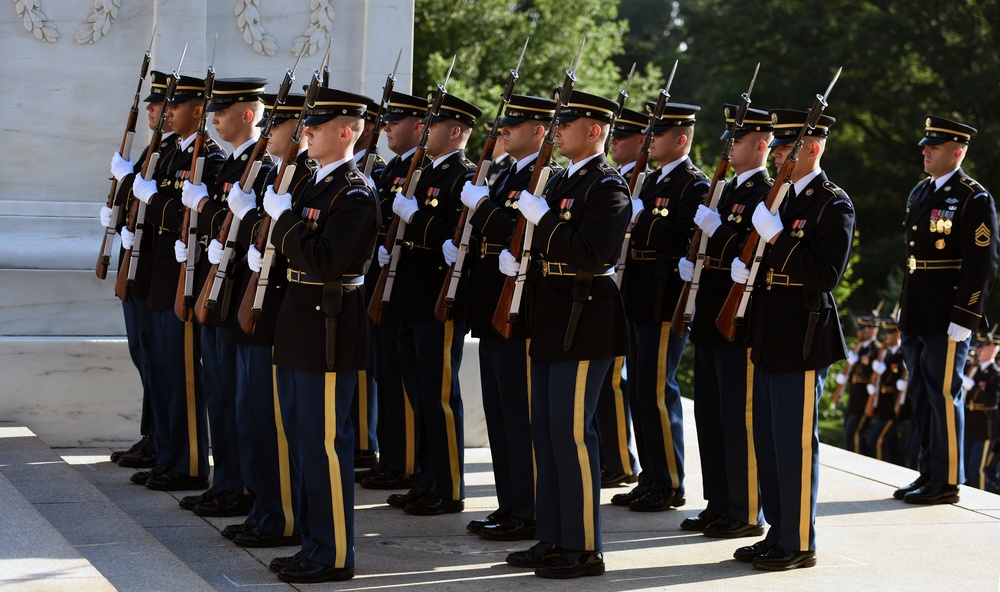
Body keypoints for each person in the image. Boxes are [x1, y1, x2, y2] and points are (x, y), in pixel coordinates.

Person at [502, 90, 630, 579]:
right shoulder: (560, 180)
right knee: (548, 431)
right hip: (551, 314)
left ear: (594, 130)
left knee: (574, 433)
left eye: (567, 123)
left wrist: (546, 220)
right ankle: (553, 536)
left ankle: (583, 546)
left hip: (586, 318)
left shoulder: (608, 186)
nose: (557, 131)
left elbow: (593, 253)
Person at [262, 87, 380, 583]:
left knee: (326, 444)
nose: (304, 132)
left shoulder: (355, 192)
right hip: (298, 322)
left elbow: (325, 260)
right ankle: (313, 543)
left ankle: (333, 554)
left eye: (316, 126)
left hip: (329, 325)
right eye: (305, 125)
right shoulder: (313, 182)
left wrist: (282, 218)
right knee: (302, 441)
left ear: (346, 131)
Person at [729, 108, 854, 570]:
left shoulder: (833, 203)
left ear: (813, 148)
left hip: (802, 336)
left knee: (795, 443)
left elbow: (825, 275)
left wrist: (778, 237)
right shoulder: (778, 196)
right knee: (768, 439)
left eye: (786, 149)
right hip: (767, 330)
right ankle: (777, 532)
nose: (778, 157)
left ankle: (799, 542)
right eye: (777, 150)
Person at [459, 94, 560, 541]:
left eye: (513, 126)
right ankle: (510, 504)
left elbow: (520, 232)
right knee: (500, 416)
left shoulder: (547, 179)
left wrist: (482, 208)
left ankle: (531, 508)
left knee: (520, 416)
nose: (503, 132)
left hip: (518, 315)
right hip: (492, 310)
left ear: (539, 131)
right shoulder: (508, 174)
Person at [382, 92, 482, 516]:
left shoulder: (466, 177)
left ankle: (449, 487)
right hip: (408, 298)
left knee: (440, 396)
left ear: (455, 131)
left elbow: (454, 237)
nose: (423, 129)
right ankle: (427, 479)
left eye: (433, 124)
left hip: (439, 301)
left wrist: (413, 218)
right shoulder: (418, 172)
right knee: (418, 393)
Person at [218, 91, 310, 547]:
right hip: (250, 307)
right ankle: (263, 508)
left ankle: (283, 515)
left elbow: (295, 240)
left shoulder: (305, 177)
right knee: (251, 417)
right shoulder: (278, 173)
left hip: (276, 313)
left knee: (272, 423)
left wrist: (254, 214)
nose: (267, 131)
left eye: (277, 124)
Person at [175, 77, 270, 518]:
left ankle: (244, 486)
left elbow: (253, 228)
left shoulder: (263, 166)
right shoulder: (225, 166)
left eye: (222, 110)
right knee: (218, 392)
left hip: (238, 295)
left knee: (237, 398)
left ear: (247, 115)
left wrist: (206, 209)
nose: (212, 117)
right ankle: (226, 479)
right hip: (216, 291)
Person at [679, 104, 772, 538]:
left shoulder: (765, 193)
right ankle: (719, 502)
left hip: (739, 321)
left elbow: (755, 254)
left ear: (760, 145)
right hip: (710, 316)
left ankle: (746, 507)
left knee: (740, 417)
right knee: (711, 417)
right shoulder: (725, 190)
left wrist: (717, 231)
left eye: (738, 140)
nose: (730, 147)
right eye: (729, 140)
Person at [130, 73, 226, 492]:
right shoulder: (168, 154)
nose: (166, 112)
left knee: (183, 376)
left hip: (183, 280)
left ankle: (187, 464)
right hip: (160, 277)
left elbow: (193, 217)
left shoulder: (212, 158)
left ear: (198, 111)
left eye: (176, 105)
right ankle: (168, 456)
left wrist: (153, 201)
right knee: (164, 372)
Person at [895, 116, 998, 505]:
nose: (925, 150)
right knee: (921, 394)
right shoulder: (920, 192)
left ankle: (949, 479)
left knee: (943, 393)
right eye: (926, 145)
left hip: (948, 314)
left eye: (933, 147)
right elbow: (912, 258)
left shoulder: (974, 198)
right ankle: (929, 472)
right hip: (917, 312)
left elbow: (982, 264)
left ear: (956, 152)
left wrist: (966, 317)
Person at [613, 101, 708, 513]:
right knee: (638, 391)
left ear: (681, 139)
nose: (648, 141)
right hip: (635, 298)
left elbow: (681, 238)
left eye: (658, 134)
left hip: (663, 301)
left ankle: (669, 482)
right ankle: (651, 476)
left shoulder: (694, 186)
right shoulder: (649, 180)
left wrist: (642, 216)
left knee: (655, 390)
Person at [103, 70, 178, 470]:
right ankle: (154, 435)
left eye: (160, 103)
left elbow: (170, 207)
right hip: (138, 267)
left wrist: (130, 179)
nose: (151, 108)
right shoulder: (156, 151)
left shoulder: (188, 158)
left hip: (156, 272)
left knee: (160, 360)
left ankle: (166, 441)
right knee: (144, 355)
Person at [358, 92, 427, 491]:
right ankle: (394, 457)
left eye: (393, 122)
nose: (385, 128)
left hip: (411, 289)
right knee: (385, 372)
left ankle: (407, 462)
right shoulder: (386, 173)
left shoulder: (428, 171)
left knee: (406, 380)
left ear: (417, 126)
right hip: (382, 285)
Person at [595, 106, 645, 489]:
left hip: (648, 298)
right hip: (618, 293)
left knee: (636, 387)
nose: (614, 142)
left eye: (622, 136)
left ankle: (624, 462)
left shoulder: (684, 183)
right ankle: (614, 459)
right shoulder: (617, 180)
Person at [352, 101, 388, 471]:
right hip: (367, 276)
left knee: (365, 364)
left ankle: (365, 438)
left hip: (369, 278)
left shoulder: (375, 168)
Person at [833, 315, 880, 454]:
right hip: (855, 397)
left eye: (863, 329)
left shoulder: (876, 350)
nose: (859, 332)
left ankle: (858, 461)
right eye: (859, 329)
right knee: (849, 431)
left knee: (854, 431)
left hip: (865, 398)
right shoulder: (859, 348)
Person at [962, 330, 1000, 492]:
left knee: (976, 470)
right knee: (966, 470)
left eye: (983, 347)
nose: (978, 351)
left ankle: (990, 498)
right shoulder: (973, 368)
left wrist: (973, 388)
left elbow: (993, 400)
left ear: (993, 350)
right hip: (969, 424)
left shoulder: (995, 374)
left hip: (985, 427)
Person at [865, 317, 907, 465]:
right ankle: (900, 468)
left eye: (891, 332)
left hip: (893, 404)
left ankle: (876, 469)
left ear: (898, 334)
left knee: (876, 439)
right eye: (886, 332)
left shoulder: (903, 353)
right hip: (883, 403)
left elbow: (904, 378)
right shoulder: (886, 352)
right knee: (891, 444)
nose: (887, 335)